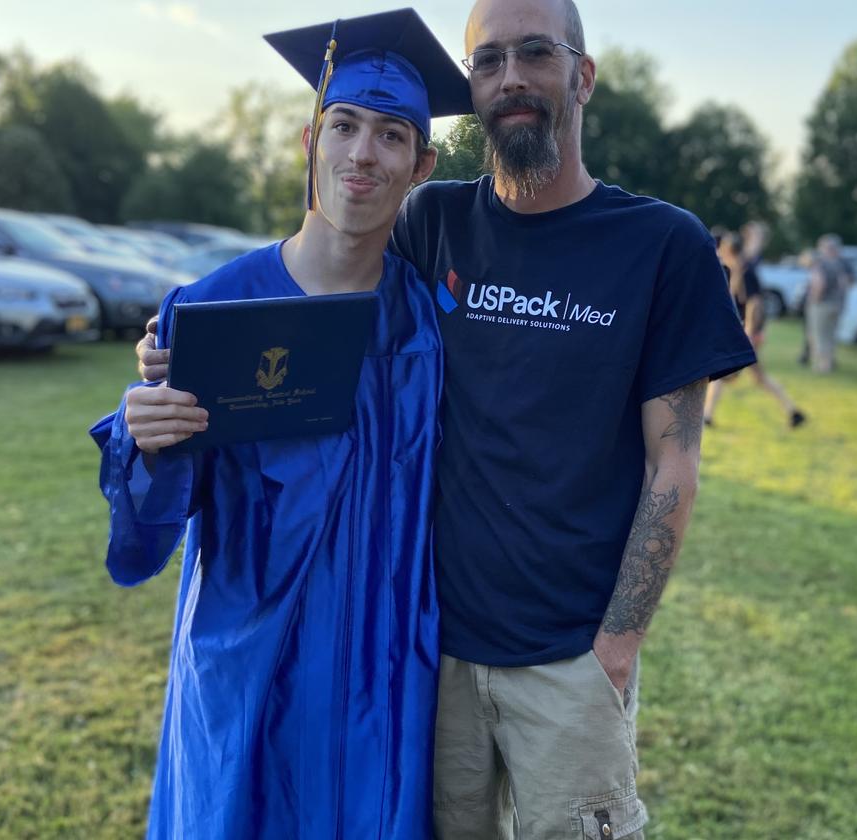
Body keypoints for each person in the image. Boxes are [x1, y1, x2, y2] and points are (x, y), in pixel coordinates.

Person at [138, 1, 756, 837]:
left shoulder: (660, 245)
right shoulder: (432, 224)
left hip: (567, 658)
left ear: (582, 74)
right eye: (487, 60)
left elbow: (673, 461)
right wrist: (180, 344)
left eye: (535, 53)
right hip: (430, 658)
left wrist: (615, 648)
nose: (510, 78)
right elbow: (324, 272)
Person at [90, 10, 472, 838]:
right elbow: (154, 522)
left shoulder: (426, 324)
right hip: (247, 663)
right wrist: (142, 437)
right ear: (310, 140)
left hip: (380, 670)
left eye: (391, 135)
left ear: (421, 165)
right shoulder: (213, 308)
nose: (362, 154)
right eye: (344, 125)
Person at [703, 230, 806, 429]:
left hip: (748, 335)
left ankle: (792, 411)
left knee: (737, 374)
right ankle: (792, 411)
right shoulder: (739, 269)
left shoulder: (746, 272)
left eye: (722, 251)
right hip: (744, 333)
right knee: (738, 374)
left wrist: (748, 333)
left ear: (729, 251)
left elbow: (755, 303)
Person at [806, 233, 853, 373]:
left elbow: (819, 283)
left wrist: (814, 300)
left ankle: (821, 365)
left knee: (818, 335)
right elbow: (846, 284)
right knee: (831, 335)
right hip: (838, 304)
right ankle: (829, 362)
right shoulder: (843, 264)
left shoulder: (821, 263)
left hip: (822, 304)